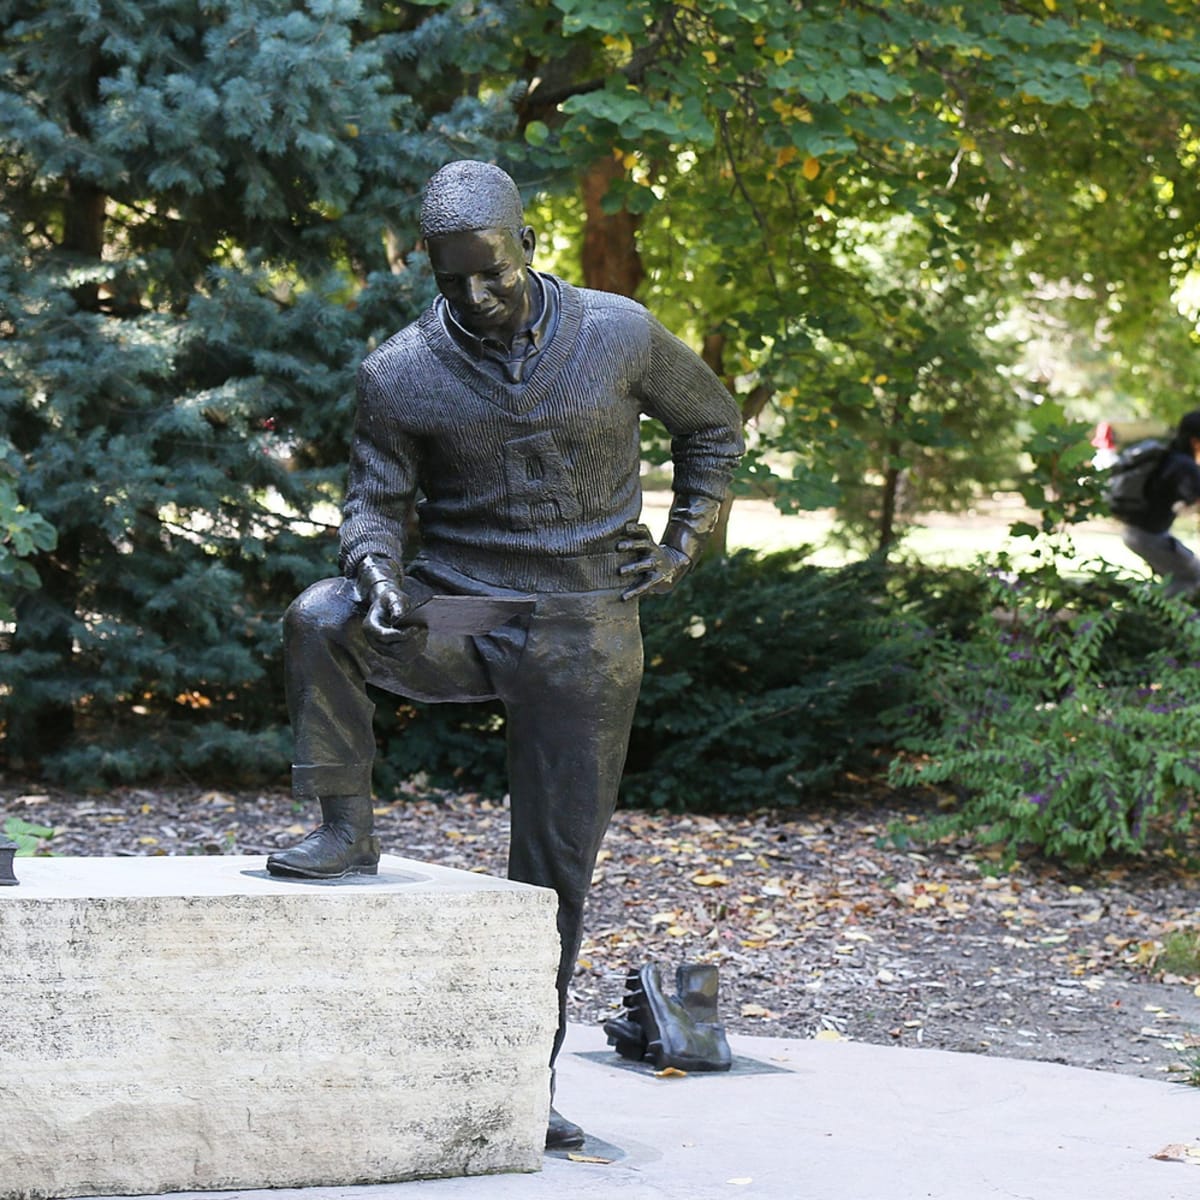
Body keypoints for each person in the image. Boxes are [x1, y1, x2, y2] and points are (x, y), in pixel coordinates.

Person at [266, 160, 745, 1149]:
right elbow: (372, 501)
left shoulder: (618, 333)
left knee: (553, 876)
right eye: (451, 281)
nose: (476, 298)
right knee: (324, 617)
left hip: (583, 625)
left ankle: (528, 1082)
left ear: (529, 244)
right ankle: (345, 827)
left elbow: (714, 429)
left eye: (491, 272)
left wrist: (681, 545)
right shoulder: (399, 371)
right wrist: (380, 572)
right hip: (472, 614)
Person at [1118, 409, 1200, 596]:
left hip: (1138, 532)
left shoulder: (1170, 457)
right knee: (1190, 576)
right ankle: (1168, 619)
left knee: (1180, 575)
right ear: (1195, 441)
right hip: (1148, 537)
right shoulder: (1184, 466)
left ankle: (1153, 613)